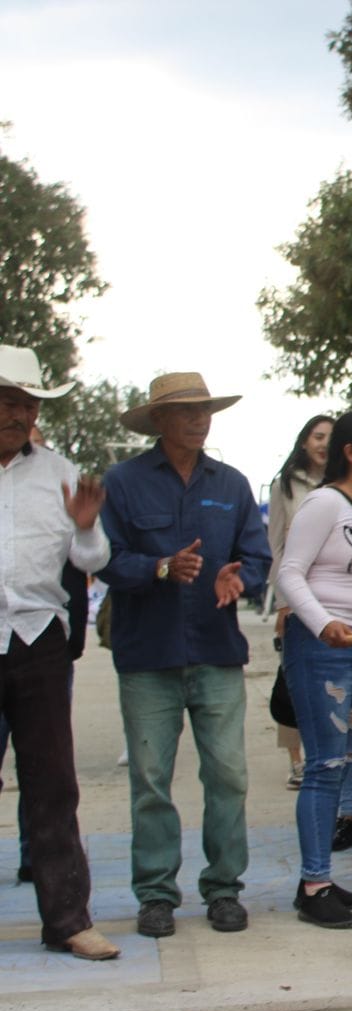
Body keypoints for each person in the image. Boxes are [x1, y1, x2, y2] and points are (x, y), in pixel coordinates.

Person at [99, 372, 272, 939]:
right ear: (159, 421)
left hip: (217, 653)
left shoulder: (234, 483)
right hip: (147, 657)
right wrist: (157, 568)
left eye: (205, 410)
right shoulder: (121, 484)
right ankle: (155, 894)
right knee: (151, 780)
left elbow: (258, 556)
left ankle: (224, 889)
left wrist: (238, 577)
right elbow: (104, 560)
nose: (200, 420)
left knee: (229, 776)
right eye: (187, 411)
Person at [0, 344, 119, 960]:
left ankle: (69, 920)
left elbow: (93, 561)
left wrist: (84, 524)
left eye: (25, 404)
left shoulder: (59, 471)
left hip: (38, 639)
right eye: (6, 402)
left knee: (51, 783)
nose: (16, 415)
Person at [276, 410, 352, 928]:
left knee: (348, 762)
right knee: (324, 767)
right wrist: (324, 622)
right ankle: (314, 884)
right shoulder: (324, 503)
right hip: (326, 649)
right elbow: (289, 572)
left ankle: (322, 875)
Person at [267, 415, 333, 789]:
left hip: (331, 594)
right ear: (304, 441)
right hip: (295, 591)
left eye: (331, 438)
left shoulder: (341, 485)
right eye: (318, 436)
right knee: (291, 681)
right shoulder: (285, 486)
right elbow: (276, 547)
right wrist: (282, 603)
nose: (324, 443)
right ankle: (296, 759)